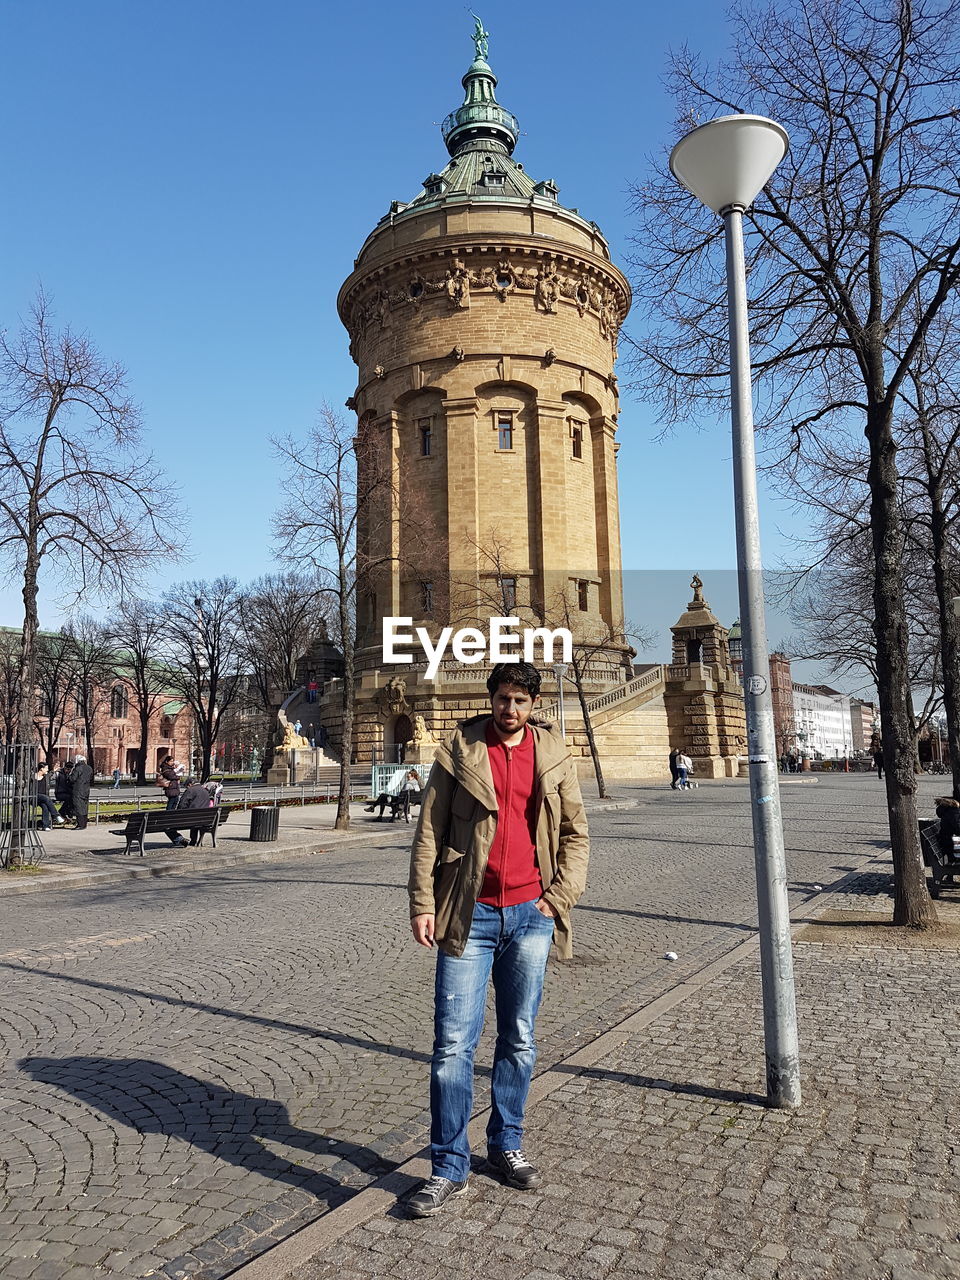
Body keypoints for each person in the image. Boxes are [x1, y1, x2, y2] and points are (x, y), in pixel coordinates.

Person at [406, 661, 589, 1219]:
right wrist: (422, 903)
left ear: (534, 705)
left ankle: (506, 1144)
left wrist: (555, 900)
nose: (510, 709)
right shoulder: (459, 752)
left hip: (531, 915)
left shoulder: (554, 754)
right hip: (471, 913)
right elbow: (430, 830)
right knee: (451, 1047)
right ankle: (447, 1167)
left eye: (520, 701)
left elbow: (577, 835)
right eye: (503, 698)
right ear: (491, 699)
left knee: (519, 1037)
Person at [157, 755, 187, 847]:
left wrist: (176, 772)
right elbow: (171, 776)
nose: (172, 763)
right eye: (171, 761)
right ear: (167, 761)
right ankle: (169, 814)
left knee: (174, 802)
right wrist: (177, 775)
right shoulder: (166, 769)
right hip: (171, 790)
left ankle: (170, 813)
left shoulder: (169, 768)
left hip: (173, 790)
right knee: (171, 803)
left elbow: (174, 775)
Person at [177, 777, 214, 846]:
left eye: (187, 786)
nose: (186, 788)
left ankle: (180, 839)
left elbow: (182, 804)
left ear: (190, 784)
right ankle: (195, 840)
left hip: (192, 819)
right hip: (206, 819)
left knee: (167, 827)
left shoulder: (190, 790)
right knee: (196, 817)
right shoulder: (205, 790)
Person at [33, 762, 64, 830]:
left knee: (45, 806)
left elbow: (50, 774)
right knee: (46, 798)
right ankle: (56, 815)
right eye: (46, 768)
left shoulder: (46, 777)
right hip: (34, 796)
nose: (47, 769)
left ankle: (46, 825)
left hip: (43, 799)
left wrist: (54, 770)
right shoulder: (32, 777)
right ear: (41, 769)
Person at [70, 755, 94, 831]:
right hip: (86, 790)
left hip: (78, 790)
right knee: (84, 806)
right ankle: (84, 824)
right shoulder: (89, 768)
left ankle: (80, 824)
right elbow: (90, 778)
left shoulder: (77, 768)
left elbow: (72, 779)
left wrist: (69, 775)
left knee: (78, 807)